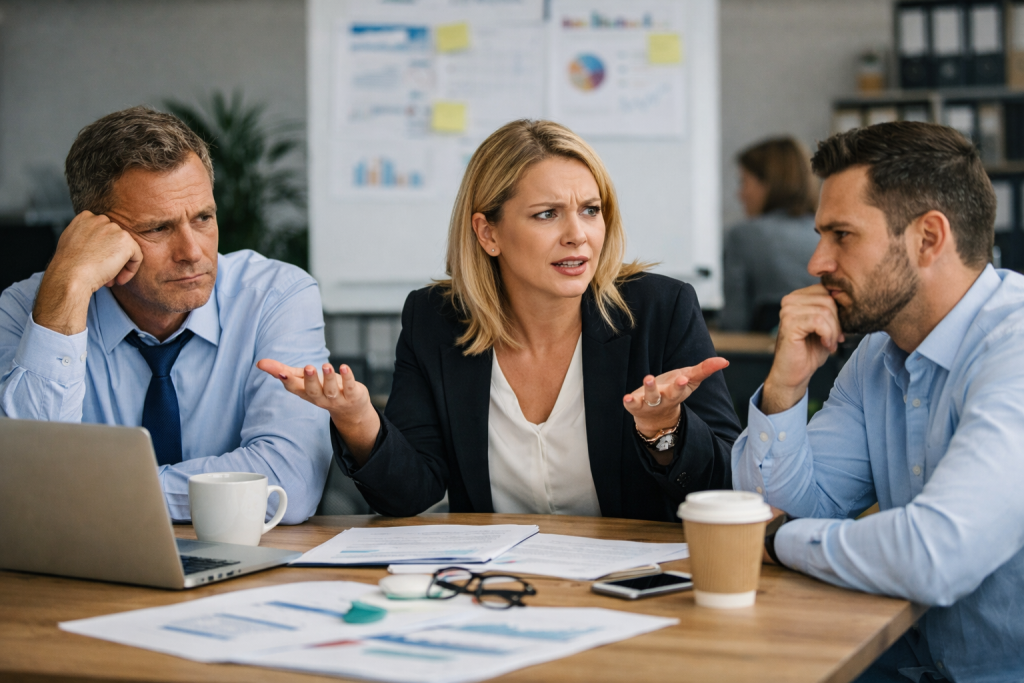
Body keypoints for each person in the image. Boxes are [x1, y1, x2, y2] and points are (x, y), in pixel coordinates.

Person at [260, 119, 740, 522]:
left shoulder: (660, 310)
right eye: (547, 214)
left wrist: (664, 430)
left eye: (591, 211)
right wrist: (358, 419)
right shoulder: (436, 321)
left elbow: (728, 485)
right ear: (488, 233)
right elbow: (410, 495)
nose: (578, 236)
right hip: (495, 588)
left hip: (635, 582)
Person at [732, 121, 1024, 682]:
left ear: (928, 239)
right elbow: (787, 507)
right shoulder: (876, 355)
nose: (816, 262)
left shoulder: (1010, 350)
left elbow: (935, 554)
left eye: (842, 235)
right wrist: (786, 389)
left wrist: (778, 540)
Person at [0, 106, 331, 524]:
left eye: (203, 218)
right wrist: (67, 291)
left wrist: (87, 492)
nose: (193, 252)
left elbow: (290, 484)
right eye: (157, 228)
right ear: (94, 234)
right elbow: (25, 486)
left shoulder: (274, 296)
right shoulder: (27, 309)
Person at [719, 136, 820, 332]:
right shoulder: (825, 232)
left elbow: (735, 322)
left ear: (767, 184)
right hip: (835, 355)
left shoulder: (743, 235)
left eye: (744, 182)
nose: (740, 194)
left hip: (767, 355)